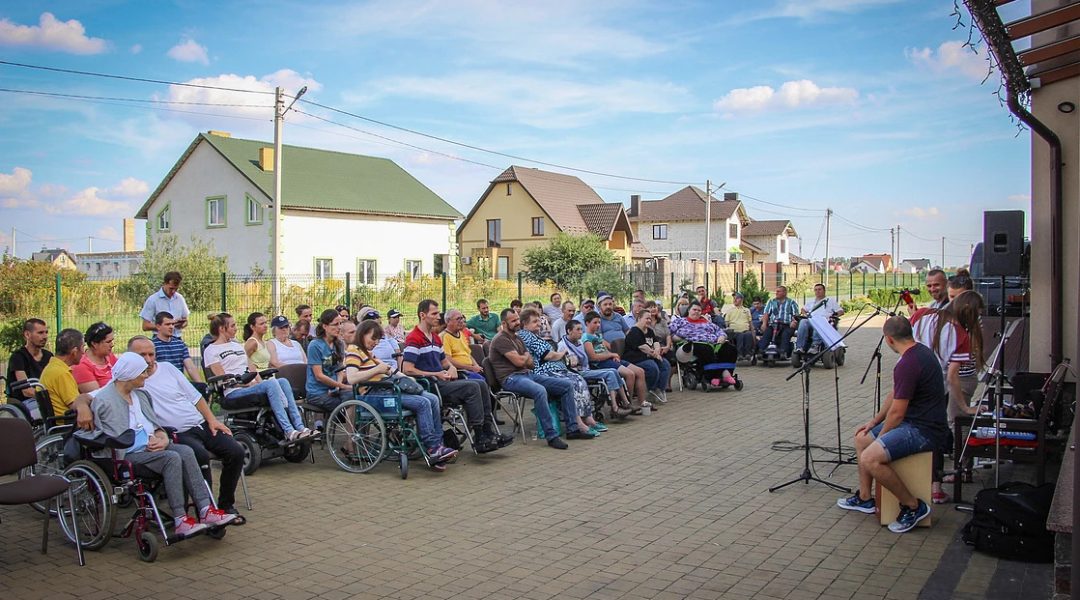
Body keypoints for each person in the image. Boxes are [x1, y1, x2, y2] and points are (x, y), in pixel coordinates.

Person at [74, 352, 236, 536]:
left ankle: (206, 510)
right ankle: (180, 519)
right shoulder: (105, 399)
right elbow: (90, 410)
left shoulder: (141, 395)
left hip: (151, 447)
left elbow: (154, 424)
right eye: (142, 372)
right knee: (172, 457)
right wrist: (82, 406)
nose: (146, 375)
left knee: (186, 451)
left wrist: (162, 437)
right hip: (126, 453)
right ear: (130, 375)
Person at [112, 337, 245, 515]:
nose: (148, 359)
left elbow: (194, 396)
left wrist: (212, 420)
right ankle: (206, 510)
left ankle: (225, 505)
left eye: (151, 354)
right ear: (130, 358)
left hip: (200, 424)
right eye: (142, 355)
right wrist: (82, 404)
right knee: (200, 457)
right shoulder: (132, 381)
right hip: (177, 433)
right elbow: (98, 393)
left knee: (236, 451)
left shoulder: (167, 368)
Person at [836, 316, 938, 533]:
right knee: (862, 438)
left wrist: (882, 436)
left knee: (870, 457)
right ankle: (865, 498)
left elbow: (898, 414)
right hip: (913, 422)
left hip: (924, 429)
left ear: (889, 339)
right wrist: (874, 421)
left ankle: (913, 505)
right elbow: (896, 395)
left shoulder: (909, 363)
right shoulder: (915, 353)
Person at [344, 320, 457, 471]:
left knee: (433, 398)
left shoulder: (368, 353)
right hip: (374, 395)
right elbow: (352, 378)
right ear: (362, 334)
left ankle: (438, 444)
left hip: (386, 389)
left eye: (378, 339)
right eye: (373, 338)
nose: (376, 342)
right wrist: (377, 369)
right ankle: (432, 448)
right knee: (422, 403)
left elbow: (390, 370)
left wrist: (407, 378)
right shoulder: (353, 351)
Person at [403, 299, 511, 453]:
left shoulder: (434, 338)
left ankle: (488, 431)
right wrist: (437, 373)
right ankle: (479, 436)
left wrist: (452, 368)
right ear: (422, 315)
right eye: (434, 314)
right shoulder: (414, 338)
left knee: (481, 384)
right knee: (472, 386)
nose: (438, 317)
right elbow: (408, 369)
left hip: (443, 381)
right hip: (430, 385)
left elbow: (445, 362)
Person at [910, 290, 985, 504]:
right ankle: (935, 488)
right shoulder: (959, 334)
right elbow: (953, 377)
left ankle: (913, 482)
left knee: (911, 429)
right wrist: (966, 407)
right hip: (935, 388)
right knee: (936, 434)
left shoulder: (922, 314)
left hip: (910, 380)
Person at [204, 313, 311, 441]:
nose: (236, 328)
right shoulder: (211, 350)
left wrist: (258, 382)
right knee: (271, 384)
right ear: (222, 328)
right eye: (232, 326)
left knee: (282, 381)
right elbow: (223, 378)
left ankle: (300, 427)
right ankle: (288, 430)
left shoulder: (237, 346)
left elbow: (251, 368)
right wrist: (247, 383)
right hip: (234, 391)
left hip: (250, 384)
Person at [488, 308, 569, 450]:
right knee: (540, 390)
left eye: (517, 319)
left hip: (527, 374)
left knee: (566, 385)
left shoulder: (517, 338)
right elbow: (520, 362)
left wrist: (524, 358)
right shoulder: (501, 339)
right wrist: (524, 357)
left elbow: (531, 364)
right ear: (504, 323)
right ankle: (551, 436)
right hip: (510, 379)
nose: (517, 323)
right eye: (513, 321)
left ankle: (573, 427)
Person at [518, 308, 597, 439]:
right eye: (534, 321)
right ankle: (577, 424)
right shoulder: (526, 335)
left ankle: (586, 418)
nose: (538, 324)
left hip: (552, 369)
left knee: (578, 379)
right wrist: (562, 354)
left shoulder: (533, 335)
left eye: (538, 320)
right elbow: (547, 355)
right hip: (541, 372)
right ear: (525, 324)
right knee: (572, 382)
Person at [559, 319, 628, 421]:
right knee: (610, 373)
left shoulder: (579, 343)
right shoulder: (562, 345)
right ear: (569, 331)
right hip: (575, 373)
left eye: (581, 329)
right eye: (577, 329)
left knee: (614, 371)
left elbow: (583, 360)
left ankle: (626, 402)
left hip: (584, 368)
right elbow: (568, 363)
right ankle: (614, 407)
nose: (580, 332)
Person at [582, 311, 645, 411]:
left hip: (609, 359)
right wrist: (611, 355)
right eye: (595, 322)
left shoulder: (597, 336)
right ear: (587, 323)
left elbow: (605, 349)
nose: (598, 325)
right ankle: (627, 403)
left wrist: (613, 356)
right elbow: (593, 357)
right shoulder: (586, 337)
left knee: (639, 371)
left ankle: (635, 401)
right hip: (601, 363)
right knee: (630, 374)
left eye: (599, 322)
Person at [670, 303, 738, 387]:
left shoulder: (706, 322)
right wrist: (675, 337)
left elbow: (719, 331)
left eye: (699, 310)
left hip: (713, 343)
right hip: (693, 344)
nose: (697, 312)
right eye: (694, 310)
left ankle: (727, 373)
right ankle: (713, 376)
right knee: (707, 349)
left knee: (730, 349)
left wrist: (722, 336)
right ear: (688, 310)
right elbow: (669, 332)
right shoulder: (680, 321)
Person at [306, 309, 352, 413]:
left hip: (334, 389)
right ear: (325, 326)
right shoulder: (315, 346)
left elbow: (340, 369)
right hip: (318, 393)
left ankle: (354, 428)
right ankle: (350, 428)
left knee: (357, 397)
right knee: (347, 405)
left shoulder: (339, 344)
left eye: (340, 324)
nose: (339, 327)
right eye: (335, 324)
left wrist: (338, 386)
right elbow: (319, 376)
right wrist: (341, 386)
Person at [5, 318, 51, 418]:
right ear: (27, 335)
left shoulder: (49, 356)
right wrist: (50, 397)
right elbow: (26, 391)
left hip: (44, 399)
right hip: (24, 404)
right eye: (40, 333)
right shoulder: (18, 357)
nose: (45, 336)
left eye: (46, 332)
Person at [624, 309, 672, 403]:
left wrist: (657, 350)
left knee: (665, 364)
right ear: (639, 318)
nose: (649, 321)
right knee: (652, 367)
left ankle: (659, 389)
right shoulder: (634, 331)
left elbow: (655, 342)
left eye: (650, 319)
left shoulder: (649, 330)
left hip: (649, 356)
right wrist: (654, 354)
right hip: (635, 358)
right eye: (647, 318)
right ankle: (651, 388)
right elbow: (643, 347)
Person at [41, 328, 84, 419]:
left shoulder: (52, 367)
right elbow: (77, 406)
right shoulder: (61, 373)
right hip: (70, 426)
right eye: (82, 347)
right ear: (74, 352)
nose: (83, 352)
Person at [152, 312, 204, 385]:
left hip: (179, 383)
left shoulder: (180, 344)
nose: (171, 327)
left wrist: (202, 385)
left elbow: (190, 367)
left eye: (173, 324)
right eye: (167, 324)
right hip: (161, 384)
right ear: (158, 326)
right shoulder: (152, 346)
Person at [794, 283, 844, 357]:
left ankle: (815, 346)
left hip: (825, 321)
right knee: (803, 321)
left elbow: (841, 311)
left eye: (819, 289)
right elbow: (803, 309)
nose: (817, 291)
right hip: (812, 320)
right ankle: (800, 347)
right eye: (816, 290)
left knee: (819, 323)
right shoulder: (811, 301)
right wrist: (805, 314)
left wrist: (834, 315)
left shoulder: (830, 301)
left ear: (824, 291)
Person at [72, 322, 118, 393]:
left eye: (112, 340)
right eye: (108, 342)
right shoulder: (82, 367)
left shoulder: (110, 356)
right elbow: (97, 397)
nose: (112, 345)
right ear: (94, 344)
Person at [140, 271, 190, 337]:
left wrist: (181, 325)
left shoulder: (180, 298)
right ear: (164, 284)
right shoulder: (153, 300)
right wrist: (164, 327)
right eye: (171, 288)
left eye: (176, 289)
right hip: (160, 339)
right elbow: (145, 326)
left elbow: (186, 321)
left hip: (177, 338)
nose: (173, 291)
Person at [441, 309, 484, 379]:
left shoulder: (461, 334)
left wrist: (476, 366)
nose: (461, 321)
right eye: (458, 319)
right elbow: (448, 359)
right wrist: (471, 368)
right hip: (460, 372)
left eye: (462, 318)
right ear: (448, 321)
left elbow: (468, 354)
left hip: (470, 369)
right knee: (481, 381)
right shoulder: (445, 337)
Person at [760, 286, 799, 358]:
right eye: (776, 291)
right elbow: (766, 313)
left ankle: (783, 352)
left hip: (787, 324)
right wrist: (764, 324)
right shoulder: (772, 302)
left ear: (784, 293)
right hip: (773, 324)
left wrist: (794, 322)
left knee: (785, 334)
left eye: (779, 291)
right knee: (767, 333)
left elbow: (795, 315)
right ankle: (761, 351)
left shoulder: (791, 302)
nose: (776, 293)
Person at [721, 293, 755, 360]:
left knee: (749, 334)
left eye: (737, 298)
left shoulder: (747, 310)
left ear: (741, 300)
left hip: (745, 330)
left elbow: (750, 323)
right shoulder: (730, 311)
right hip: (734, 331)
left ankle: (748, 353)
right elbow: (726, 323)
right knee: (740, 335)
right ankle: (739, 354)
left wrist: (753, 332)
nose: (735, 300)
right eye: (734, 298)